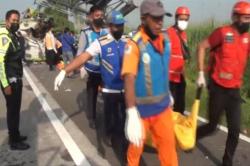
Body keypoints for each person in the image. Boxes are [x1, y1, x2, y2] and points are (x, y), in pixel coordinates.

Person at [54, 10, 128, 149]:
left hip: (126, 89)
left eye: (122, 25)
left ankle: (122, 141)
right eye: (117, 26)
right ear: (110, 26)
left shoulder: (128, 41)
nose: (120, 29)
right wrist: (65, 71)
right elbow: (83, 56)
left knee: (124, 119)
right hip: (109, 89)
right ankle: (110, 136)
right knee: (111, 118)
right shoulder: (100, 43)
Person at [121, 0, 178, 165]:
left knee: (169, 152)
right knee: (135, 150)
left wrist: (169, 94)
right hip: (141, 113)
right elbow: (129, 78)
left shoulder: (166, 41)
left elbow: (162, 70)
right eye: (155, 18)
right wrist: (131, 113)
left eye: (161, 17)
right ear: (144, 18)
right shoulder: (134, 45)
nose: (159, 22)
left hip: (163, 109)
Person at [196, 1, 250, 166]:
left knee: (234, 130)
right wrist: (200, 73)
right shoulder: (222, 32)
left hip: (234, 91)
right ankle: (191, 138)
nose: (248, 21)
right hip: (218, 88)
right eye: (245, 17)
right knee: (212, 126)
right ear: (235, 17)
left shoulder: (248, 38)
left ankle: (227, 162)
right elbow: (201, 47)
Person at [0, 9, 30, 150]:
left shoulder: (14, 35)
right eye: (13, 21)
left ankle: (16, 135)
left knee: (15, 109)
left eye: (17, 20)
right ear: (7, 21)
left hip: (16, 77)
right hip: (9, 80)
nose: (16, 23)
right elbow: (0, 62)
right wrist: (5, 84)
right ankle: (14, 141)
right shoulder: (4, 36)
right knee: (12, 111)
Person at [76, 5, 108, 129]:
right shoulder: (86, 33)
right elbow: (80, 52)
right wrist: (81, 67)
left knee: (108, 95)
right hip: (92, 70)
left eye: (101, 16)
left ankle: (109, 118)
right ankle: (92, 118)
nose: (99, 18)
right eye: (97, 16)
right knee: (92, 95)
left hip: (106, 70)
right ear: (91, 17)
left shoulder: (107, 31)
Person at [167, 6, 190, 114]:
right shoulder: (168, 33)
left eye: (186, 19)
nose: (184, 22)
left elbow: (182, 58)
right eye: (181, 19)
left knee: (180, 109)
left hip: (180, 78)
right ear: (176, 19)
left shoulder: (184, 35)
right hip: (170, 78)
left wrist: (184, 77)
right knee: (169, 109)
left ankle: (178, 130)